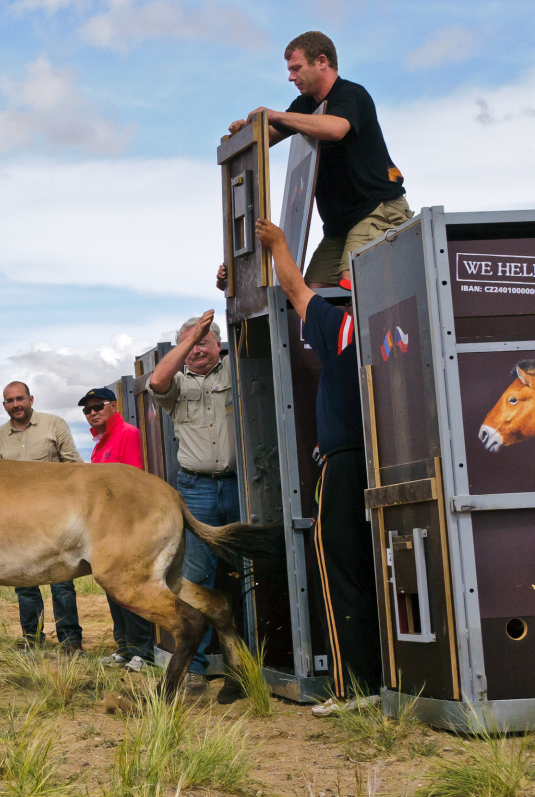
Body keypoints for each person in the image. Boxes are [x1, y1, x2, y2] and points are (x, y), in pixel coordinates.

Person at [257, 218, 382, 715]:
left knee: (341, 574)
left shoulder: (342, 324)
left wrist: (277, 244)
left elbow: (294, 286)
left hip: (346, 463)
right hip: (389, 460)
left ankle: (355, 688)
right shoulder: (400, 327)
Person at [229, 31, 410, 289]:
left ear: (322, 61)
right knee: (314, 294)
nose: (291, 77)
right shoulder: (304, 105)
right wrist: (247, 132)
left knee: (353, 283)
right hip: (339, 227)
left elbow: (335, 129)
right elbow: (268, 138)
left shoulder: (351, 95)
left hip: (377, 211)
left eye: (296, 68)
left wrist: (277, 115)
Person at [149, 309, 239, 694]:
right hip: (196, 489)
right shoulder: (178, 386)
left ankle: (243, 668)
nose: (197, 350)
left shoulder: (238, 372)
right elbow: (156, 379)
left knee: (243, 575)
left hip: (242, 485)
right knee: (196, 577)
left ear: (218, 344)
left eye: (203, 341)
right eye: (190, 344)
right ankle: (197, 668)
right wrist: (189, 337)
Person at [0, 380, 85, 652]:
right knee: (25, 582)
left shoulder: (54, 424)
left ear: (31, 399)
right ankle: (32, 638)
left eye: (20, 399)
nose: (16, 405)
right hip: (17, 521)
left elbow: (74, 467)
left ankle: (70, 640)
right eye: (10, 401)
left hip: (55, 517)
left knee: (61, 581)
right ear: (4, 405)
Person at [78, 388, 163, 679]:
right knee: (113, 589)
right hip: (105, 529)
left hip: (125, 526)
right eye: (87, 410)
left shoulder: (127, 434)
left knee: (129, 590)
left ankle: (143, 651)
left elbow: (133, 482)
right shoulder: (99, 443)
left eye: (98, 406)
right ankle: (125, 647)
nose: (92, 413)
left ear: (113, 405)